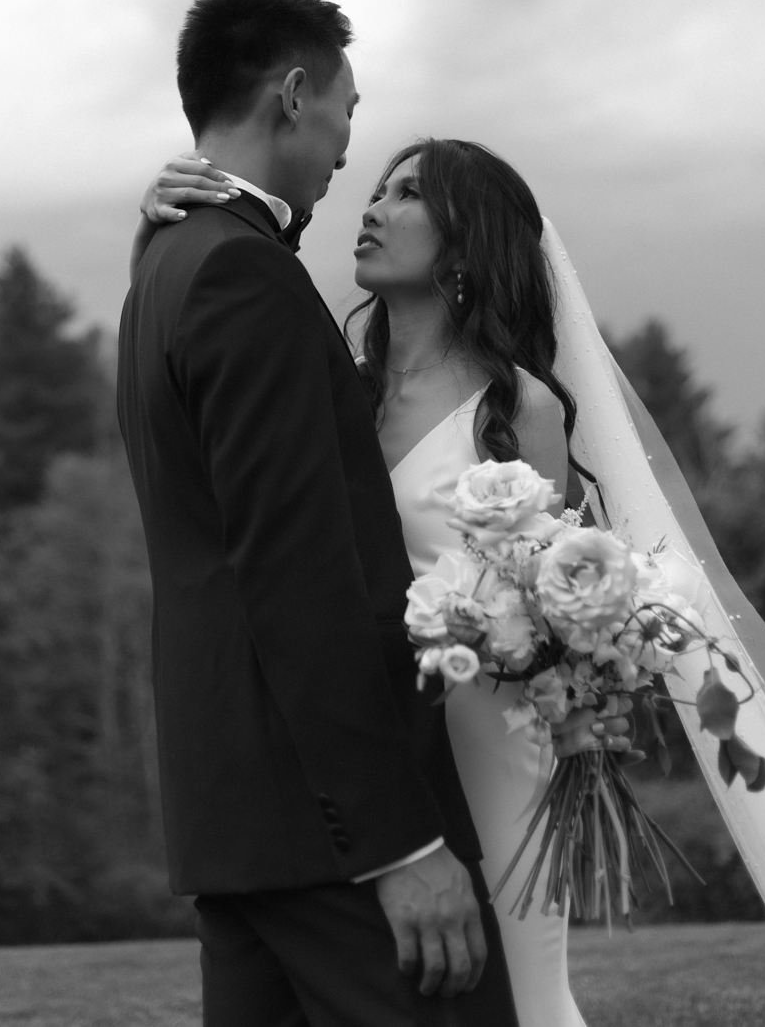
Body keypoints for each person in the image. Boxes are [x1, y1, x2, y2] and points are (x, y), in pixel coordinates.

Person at [134, 122, 632, 1027]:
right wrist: (172, 206)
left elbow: (556, 598)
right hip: (357, 749)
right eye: (375, 189)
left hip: (482, 746)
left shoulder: (519, 405)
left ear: (466, 244)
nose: (373, 206)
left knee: (517, 996)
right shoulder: (336, 390)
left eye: (408, 195)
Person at [117, 0, 522, 1027]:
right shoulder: (240, 278)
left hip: (236, 822)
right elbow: (296, 577)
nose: (352, 138)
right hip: (327, 826)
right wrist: (399, 842)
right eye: (347, 104)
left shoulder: (168, 262)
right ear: (294, 93)